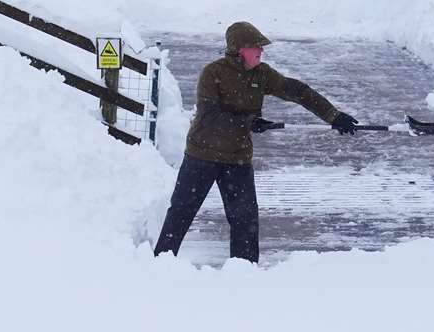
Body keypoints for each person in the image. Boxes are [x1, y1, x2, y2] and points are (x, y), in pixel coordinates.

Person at [153, 22, 356, 263]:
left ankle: (244, 274)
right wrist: (249, 122)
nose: (261, 51)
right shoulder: (213, 73)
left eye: (261, 47)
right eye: (255, 47)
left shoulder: (262, 74)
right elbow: (210, 116)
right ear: (238, 49)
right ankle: (158, 266)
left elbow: (298, 91)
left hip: (237, 159)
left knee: (245, 220)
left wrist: (334, 116)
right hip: (202, 155)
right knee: (180, 213)